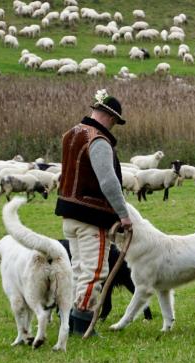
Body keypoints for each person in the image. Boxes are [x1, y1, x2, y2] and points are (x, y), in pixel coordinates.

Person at [55, 89, 132, 336]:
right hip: (92, 215)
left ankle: (71, 317)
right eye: (115, 121)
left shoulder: (71, 134)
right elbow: (108, 182)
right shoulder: (98, 140)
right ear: (110, 117)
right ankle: (82, 321)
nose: (114, 126)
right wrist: (123, 214)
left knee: (79, 268)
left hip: (69, 214)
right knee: (95, 270)